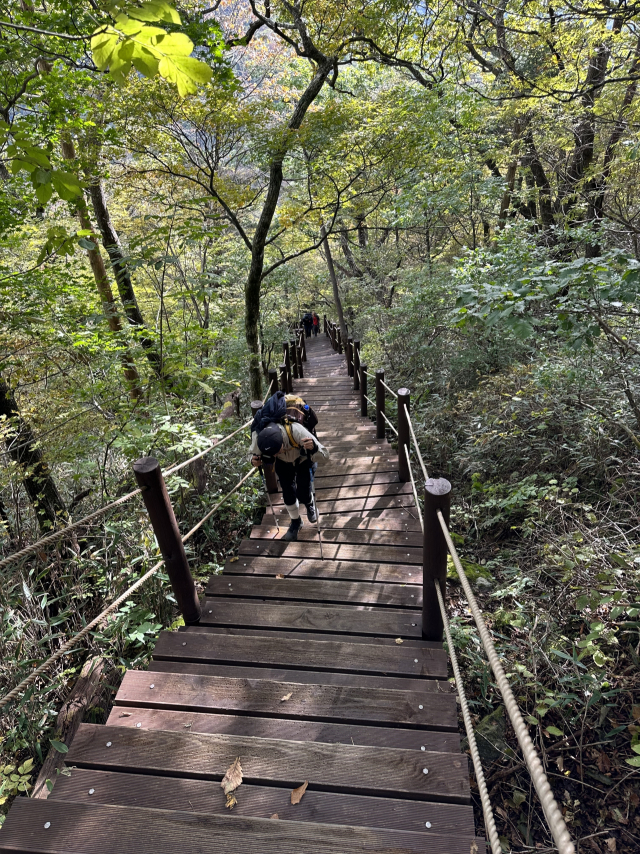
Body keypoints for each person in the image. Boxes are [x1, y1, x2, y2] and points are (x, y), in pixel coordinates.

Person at [250, 420, 329, 541]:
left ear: (282, 439)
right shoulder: (260, 438)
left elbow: (325, 455)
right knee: (288, 493)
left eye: (277, 451)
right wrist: (253, 460)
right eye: (272, 454)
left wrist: (313, 448)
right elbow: (250, 454)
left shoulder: (296, 431)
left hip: (303, 459)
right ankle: (296, 522)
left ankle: (309, 504)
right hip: (283, 464)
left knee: (303, 491)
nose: (275, 455)